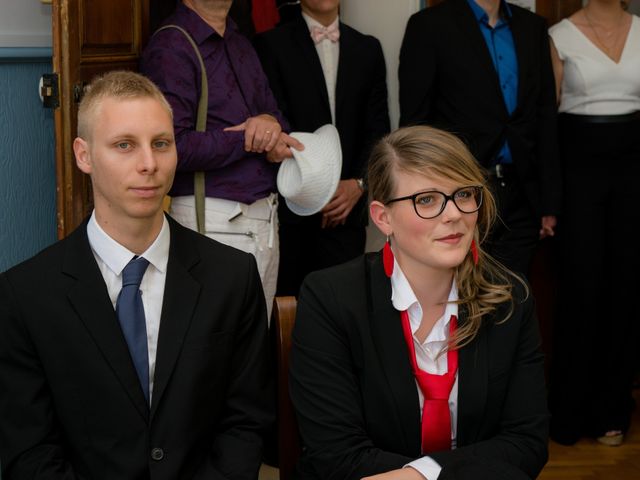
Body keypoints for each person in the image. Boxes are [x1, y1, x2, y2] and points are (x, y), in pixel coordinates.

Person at [0, 71, 272, 479]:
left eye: (161, 143)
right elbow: (29, 452)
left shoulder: (232, 277)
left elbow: (246, 425)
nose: (149, 164)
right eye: (124, 145)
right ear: (83, 155)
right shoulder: (25, 295)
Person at [289, 126, 549, 480]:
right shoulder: (330, 298)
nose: (454, 214)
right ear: (383, 218)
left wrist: (425, 474)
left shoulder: (509, 299)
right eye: (426, 199)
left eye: (464, 194)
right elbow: (335, 458)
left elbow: (527, 444)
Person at [140, 0, 303, 316]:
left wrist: (271, 128)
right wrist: (245, 138)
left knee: (254, 343)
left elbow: (273, 115)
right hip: (211, 219)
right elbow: (170, 145)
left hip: (264, 215)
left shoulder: (239, 42)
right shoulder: (172, 44)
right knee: (216, 344)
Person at [399, 0, 561, 276]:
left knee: (512, 296)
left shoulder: (532, 27)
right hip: (459, 189)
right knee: (460, 294)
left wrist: (549, 201)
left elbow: (545, 116)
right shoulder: (429, 26)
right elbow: (416, 124)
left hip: (522, 192)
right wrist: (423, 195)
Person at [547, 0, 640, 447]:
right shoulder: (558, 35)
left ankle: (613, 409)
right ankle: (570, 411)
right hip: (578, 172)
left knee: (627, 289)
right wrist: (550, 196)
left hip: (634, 173)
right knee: (582, 290)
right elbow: (546, 121)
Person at [254, 0, 390, 296]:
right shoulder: (271, 45)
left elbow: (378, 130)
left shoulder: (368, 48)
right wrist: (316, 186)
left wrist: (358, 184)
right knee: (290, 309)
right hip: (292, 210)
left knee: (347, 307)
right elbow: (276, 122)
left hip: (348, 208)